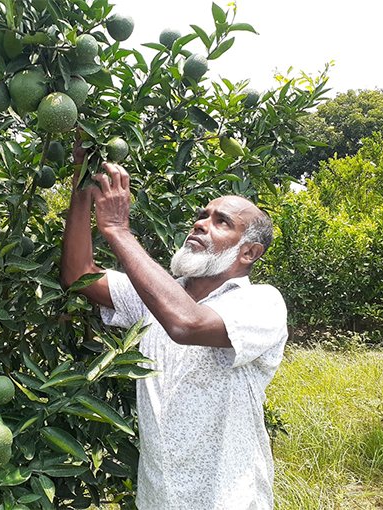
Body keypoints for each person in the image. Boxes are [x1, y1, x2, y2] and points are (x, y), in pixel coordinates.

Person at [60, 142, 289, 510]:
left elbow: (186, 324)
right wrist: (83, 183)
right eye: (203, 215)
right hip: (158, 498)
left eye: (221, 222)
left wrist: (119, 231)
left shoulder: (261, 302)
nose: (201, 223)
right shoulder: (158, 294)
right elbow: (79, 275)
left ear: (249, 253)